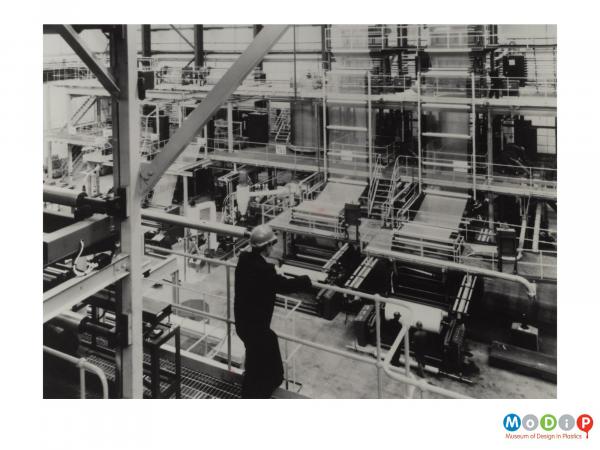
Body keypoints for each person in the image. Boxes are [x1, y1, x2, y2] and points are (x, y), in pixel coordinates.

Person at [234, 224, 312, 398]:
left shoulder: (244, 261)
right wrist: (306, 280)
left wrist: (272, 272)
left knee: (256, 361)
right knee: (271, 373)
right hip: (256, 329)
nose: (273, 247)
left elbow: (267, 281)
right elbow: (283, 285)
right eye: (272, 244)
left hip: (244, 325)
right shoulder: (263, 271)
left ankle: (252, 390)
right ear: (266, 246)